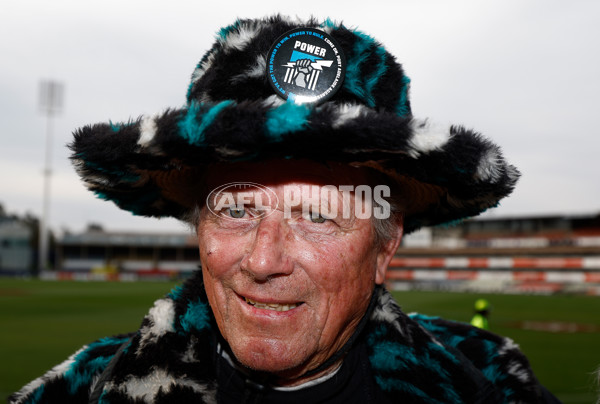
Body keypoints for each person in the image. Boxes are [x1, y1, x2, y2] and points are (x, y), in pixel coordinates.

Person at [10, 16, 561, 403]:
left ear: (385, 242)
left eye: (318, 216)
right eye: (236, 210)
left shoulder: (493, 384)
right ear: (199, 224)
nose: (264, 260)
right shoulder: (81, 391)